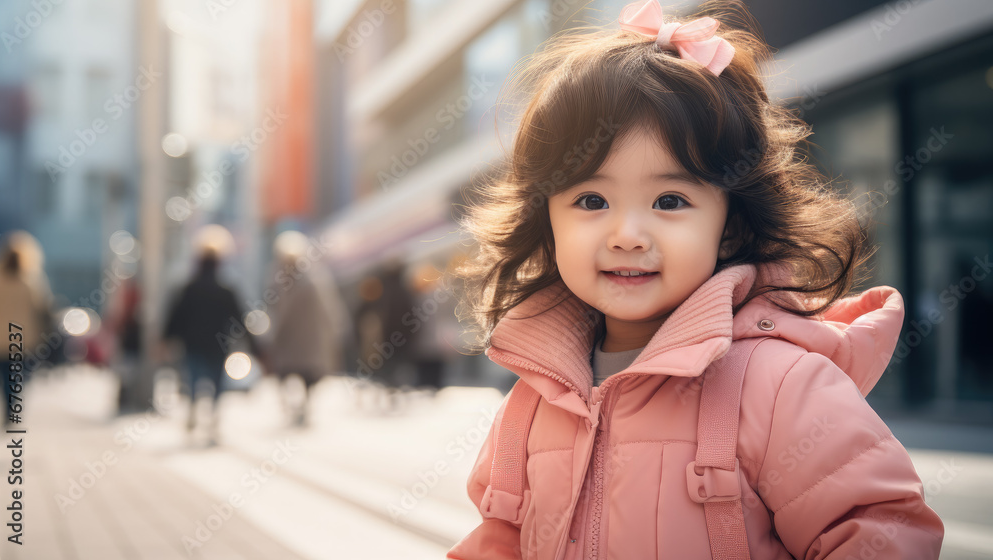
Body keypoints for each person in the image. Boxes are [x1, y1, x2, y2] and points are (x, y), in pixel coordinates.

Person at [448, 1, 943, 558]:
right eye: (591, 200)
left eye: (669, 201)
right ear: (548, 222)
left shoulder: (780, 385)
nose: (627, 235)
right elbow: (502, 538)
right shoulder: (535, 400)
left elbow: (881, 529)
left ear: (730, 229)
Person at [162, 247, 255, 442]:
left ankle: (193, 409)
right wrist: (255, 347)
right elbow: (240, 319)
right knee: (216, 383)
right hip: (218, 345)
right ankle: (213, 415)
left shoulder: (190, 288)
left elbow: (176, 315)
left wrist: (166, 338)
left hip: (193, 343)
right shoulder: (226, 291)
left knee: (193, 379)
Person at [264, 231, 349, 426]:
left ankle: (298, 405)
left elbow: (276, 310)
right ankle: (300, 405)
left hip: (296, 338)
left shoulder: (283, 278)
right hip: (306, 339)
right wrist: (336, 329)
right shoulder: (314, 277)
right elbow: (330, 308)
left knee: (292, 373)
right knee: (304, 374)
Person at [0, 232, 53, 427]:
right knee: (18, 377)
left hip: (1, 338)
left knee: (4, 376)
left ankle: (7, 410)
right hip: (23, 339)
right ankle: (13, 411)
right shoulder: (31, 282)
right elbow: (42, 309)